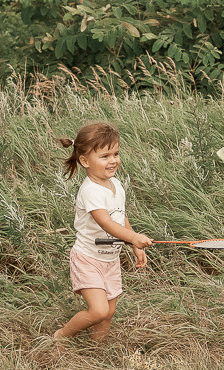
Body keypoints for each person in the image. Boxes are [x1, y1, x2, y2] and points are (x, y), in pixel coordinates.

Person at [52, 123, 153, 341]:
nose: (113, 160)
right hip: (88, 259)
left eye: (115, 154)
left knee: (108, 314)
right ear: (85, 161)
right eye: (105, 156)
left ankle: (95, 353)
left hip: (110, 260)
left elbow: (119, 217)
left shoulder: (115, 184)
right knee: (98, 311)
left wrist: (134, 241)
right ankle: (60, 336)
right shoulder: (90, 191)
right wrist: (134, 238)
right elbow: (106, 223)